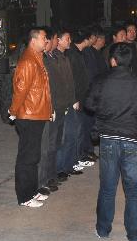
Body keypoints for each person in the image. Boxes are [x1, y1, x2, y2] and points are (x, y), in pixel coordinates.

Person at [85, 43, 137, 241]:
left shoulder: (101, 81)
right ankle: (135, 235)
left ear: (112, 61)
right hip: (133, 140)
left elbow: (89, 104)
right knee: (134, 190)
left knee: (108, 187)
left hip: (108, 139)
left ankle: (103, 230)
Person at [9, 27, 53, 207]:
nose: (47, 41)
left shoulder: (37, 58)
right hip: (29, 115)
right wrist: (13, 111)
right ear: (33, 41)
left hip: (37, 114)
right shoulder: (28, 61)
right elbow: (20, 91)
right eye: (44, 38)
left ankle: (32, 191)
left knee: (33, 156)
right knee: (27, 157)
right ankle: (24, 197)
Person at [40, 27, 74, 192]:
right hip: (53, 107)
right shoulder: (44, 60)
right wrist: (51, 107)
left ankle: (52, 175)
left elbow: (63, 83)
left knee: (56, 143)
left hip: (60, 105)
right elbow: (49, 87)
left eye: (50, 39)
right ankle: (46, 178)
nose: (50, 42)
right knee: (49, 145)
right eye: (49, 39)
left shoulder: (53, 57)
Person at [65, 29, 94, 170]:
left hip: (82, 97)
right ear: (85, 39)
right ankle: (74, 160)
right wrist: (75, 98)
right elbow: (73, 79)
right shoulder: (72, 55)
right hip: (76, 99)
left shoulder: (78, 53)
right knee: (75, 131)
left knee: (80, 129)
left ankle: (78, 157)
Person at [54, 28, 79, 181]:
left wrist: (74, 99)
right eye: (67, 38)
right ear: (59, 41)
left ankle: (67, 165)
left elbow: (70, 82)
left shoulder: (64, 57)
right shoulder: (55, 59)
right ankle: (59, 169)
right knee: (62, 139)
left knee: (71, 135)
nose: (70, 41)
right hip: (62, 105)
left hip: (70, 103)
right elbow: (59, 85)